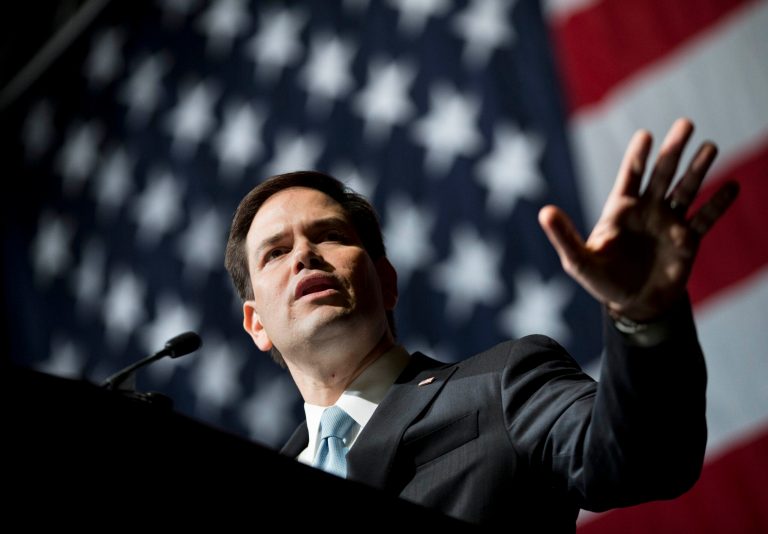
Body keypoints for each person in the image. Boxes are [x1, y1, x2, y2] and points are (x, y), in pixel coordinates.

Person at [223, 118, 738, 529]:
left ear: (386, 281)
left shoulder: (503, 384)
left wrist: (641, 316)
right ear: (255, 324)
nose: (305, 257)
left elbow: (642, 460)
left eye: (329, 235)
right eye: (275, 253)